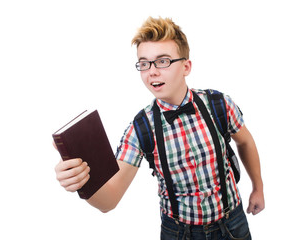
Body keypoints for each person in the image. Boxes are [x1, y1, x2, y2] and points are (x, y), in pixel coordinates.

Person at [54, 17, 264, 239]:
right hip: (178, 233)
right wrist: (83, 184)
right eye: (144, 63)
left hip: (234, 223)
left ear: (186, 66)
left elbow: (246, 141)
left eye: (162, 61)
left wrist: (258, 188)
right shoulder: (140, 129)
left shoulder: (219, 104)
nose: (151, 72)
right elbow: (109, 201)